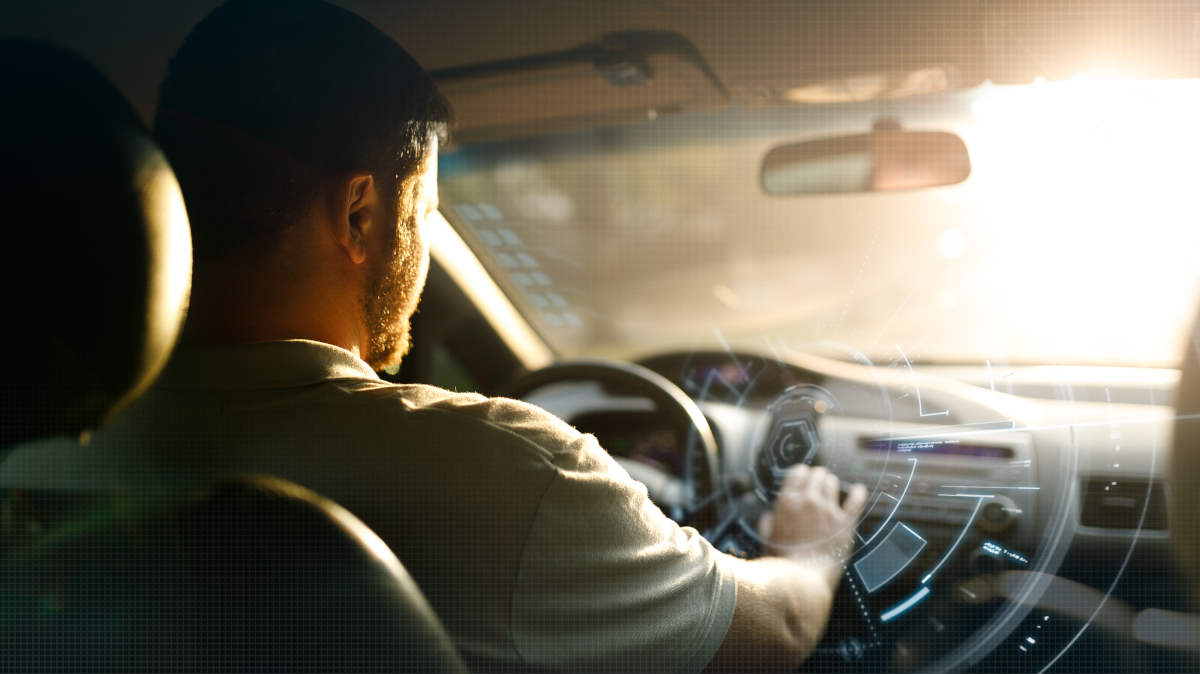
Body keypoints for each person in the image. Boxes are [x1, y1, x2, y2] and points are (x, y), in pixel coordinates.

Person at [0, 1, 867, 671]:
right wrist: (809, 549)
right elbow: (774, 636)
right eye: (426, 210)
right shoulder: (512, 474)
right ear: (361, 211)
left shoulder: (24, 463)